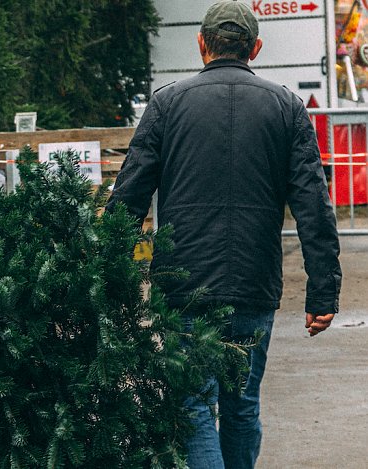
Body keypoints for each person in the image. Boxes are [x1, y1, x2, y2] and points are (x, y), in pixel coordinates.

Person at [106, 2, 341, 468]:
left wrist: (106, 278)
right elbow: (315, 206)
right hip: (254, 284)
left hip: (183, 285)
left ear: (201, 45)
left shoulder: (167, 104)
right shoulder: (286, 108)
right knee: (242, 406)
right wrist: (323, 292)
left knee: (193, 409)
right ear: (255, 48)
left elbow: (128, 196)